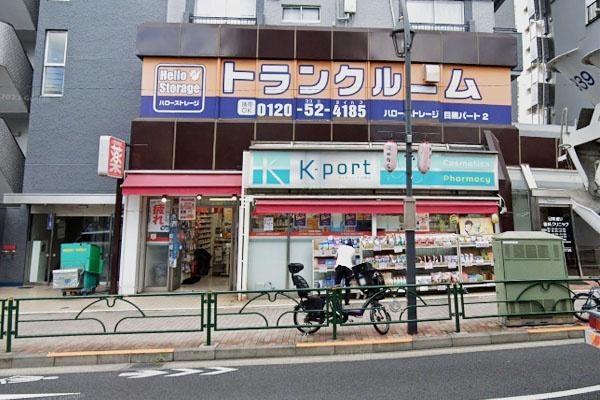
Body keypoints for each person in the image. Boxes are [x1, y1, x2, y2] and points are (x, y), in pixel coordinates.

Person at [335, 240, 355, 305]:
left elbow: (336, 256)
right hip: (348, 267)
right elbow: (353, 260)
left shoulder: (340, 247)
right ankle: (347, 302)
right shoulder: (353, 249)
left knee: (337, 284)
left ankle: (337, 301)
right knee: (348, 285)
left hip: (339, 266)